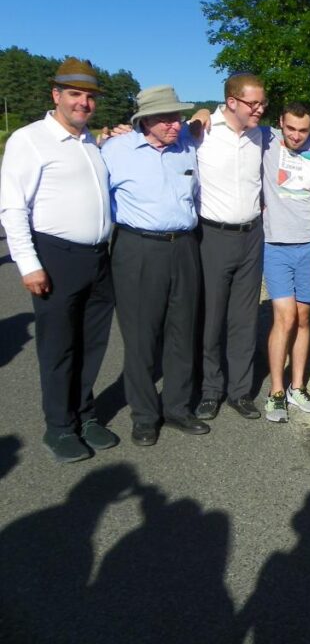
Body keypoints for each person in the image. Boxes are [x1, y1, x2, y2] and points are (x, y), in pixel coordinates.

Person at [0, 57, 118, 462]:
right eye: (74, 94)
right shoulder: (30, 140)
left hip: (99, 257)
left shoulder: (90, 142)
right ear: (56, 95)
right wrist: (28, 263)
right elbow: (12, 207)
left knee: (92, 344)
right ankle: (59, 426)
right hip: (56, 255)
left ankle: (85, 415)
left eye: (89, 96)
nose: (83, 103)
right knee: (59, 347)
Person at [101, 85, 208, 445]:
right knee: (141, 336)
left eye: (176, 117)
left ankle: (177, 407)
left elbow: (210, 119)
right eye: (164, 119)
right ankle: (145, 415)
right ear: (143, 120)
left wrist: (203, 116)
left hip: (184, 246)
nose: (173, 125)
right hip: (138, 249)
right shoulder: (115, 150)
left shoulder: (188, 147)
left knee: (182, 332)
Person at [194, 73, 270, 422]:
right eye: (254, 103)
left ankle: (240, 391)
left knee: (244, 317)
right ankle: (211, 389)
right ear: (231, 102)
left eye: (263, 103)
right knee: (211, 318)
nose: (260, 109)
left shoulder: (263, 135)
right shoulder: (201, 132)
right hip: (213, 236)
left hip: (252, 235)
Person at [260, 103, 310, 422]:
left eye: (303, 130)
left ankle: (297, 387)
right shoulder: (264, 138)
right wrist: (202, 115)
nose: (296, 136)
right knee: (285, 317)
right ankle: (276, 392)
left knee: (304, 317)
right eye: (290, 128)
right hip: (275, 244)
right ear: (280, 123)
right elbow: (227, 121)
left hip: (307, 244)